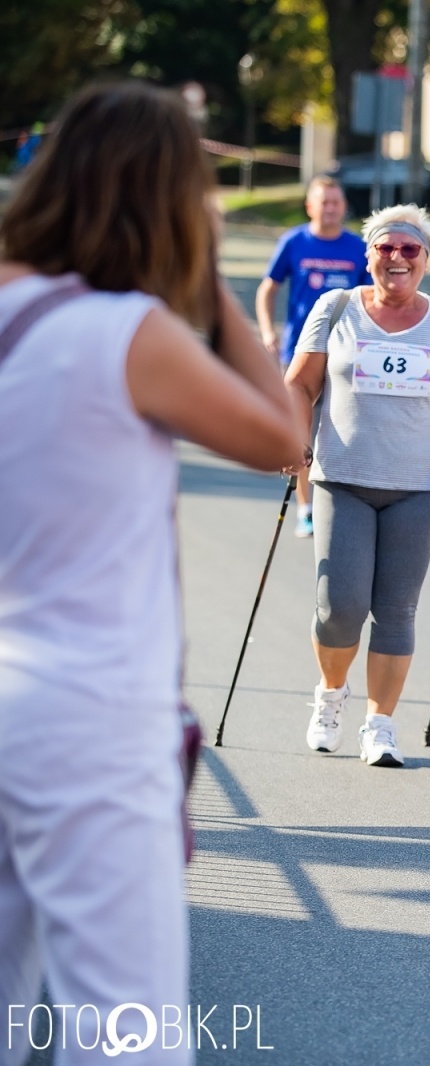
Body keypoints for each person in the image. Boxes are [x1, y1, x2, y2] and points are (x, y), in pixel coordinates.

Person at [0, 81, 302, 1066]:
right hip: (88, 711)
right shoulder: (127, 331)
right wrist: (209, 284)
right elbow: (281, 436)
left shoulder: (11, 306)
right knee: (125, 1031)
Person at [285, 202, 430, 770]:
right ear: (369, 256)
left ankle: (379, 725)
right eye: (386, 247)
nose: (397, 258)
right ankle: (331, 695)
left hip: (418, 486)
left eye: (410, 249)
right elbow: (300, 385)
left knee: (396, 609)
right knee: (340, 606)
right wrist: (290, 439)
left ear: (426, 259)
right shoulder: (335, 310)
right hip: (343, 479)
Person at [257, 176, 371, 538]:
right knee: (301, 433)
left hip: (348, 355)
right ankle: (305, 509)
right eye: (323, 202)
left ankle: (342, 508)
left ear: (344, 206)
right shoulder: (294, 242)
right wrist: (267, 331)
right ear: (310, 206)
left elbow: (375, 297)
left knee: (342, 432)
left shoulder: (357, 247)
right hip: (300, 353)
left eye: (336, 202)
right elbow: (267, 288)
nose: (330, 208)